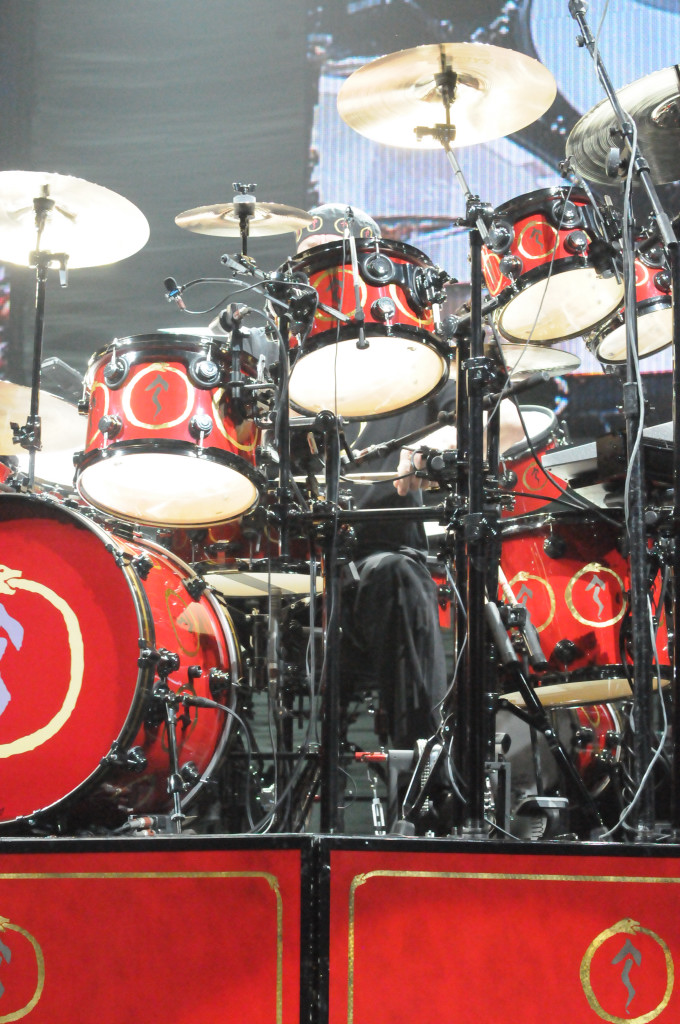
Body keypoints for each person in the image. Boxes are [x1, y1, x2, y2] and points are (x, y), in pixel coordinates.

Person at [293, 204, 452, 758]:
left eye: (332, 268)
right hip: (293, 566)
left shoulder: (416, 358)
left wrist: (434, 443)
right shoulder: (281, 366)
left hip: (379, 560)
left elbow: (496, 419)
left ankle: (421, 765)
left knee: (400, 579)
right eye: (309, 270)